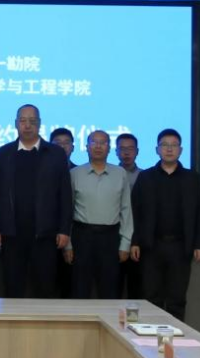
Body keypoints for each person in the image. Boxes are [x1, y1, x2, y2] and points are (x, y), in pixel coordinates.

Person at [0, 104, 74, 298]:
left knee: (45, 286)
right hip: (12, 233)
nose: (27, 125)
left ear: (40, 124)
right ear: (16, 123)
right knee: (13, 286)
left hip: (45, 233)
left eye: (32, 121)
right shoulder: (4, 153)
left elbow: (65, 194)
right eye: (23, 121)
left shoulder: (55, 153)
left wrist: (64, 229)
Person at [131, 129, 200, 320]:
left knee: (177, 298)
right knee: (150, 297)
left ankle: (176, 337)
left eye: (174, 145)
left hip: (181, 246)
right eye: (164, 145)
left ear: (181, 150)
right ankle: (150, 336)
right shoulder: (146, 177)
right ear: (157, 149)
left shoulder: (192, 178)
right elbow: (135, 212)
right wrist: (135, 242)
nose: (169, 149)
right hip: (151, 246)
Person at [63, 130, 133, 299]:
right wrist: (68, 245)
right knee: (79, 289)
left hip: (110, 237)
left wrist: (125, 244)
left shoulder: (120, 174)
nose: (98, 146)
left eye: (103, 142)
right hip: (82, 236)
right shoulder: (75, 174)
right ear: (86, 147)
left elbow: (126, 210)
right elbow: (67, 211)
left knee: (110, 290)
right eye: (94, 142)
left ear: (109, 148)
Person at [49, 127, 78, 297]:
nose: (62, 146)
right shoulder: (42, 171)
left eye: (66, 143)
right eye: (57, 143)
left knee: (69, 284)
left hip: (74, 236)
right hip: (47, 236)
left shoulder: (79, 172)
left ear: (73, 147)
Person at [115, 133, 144, 299]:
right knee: (114, 287)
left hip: (138, 238)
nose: (126, 152)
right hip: (115, 236)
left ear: (137, 151)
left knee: (137, 288)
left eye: (130, 148)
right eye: (122, 148)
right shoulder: (111, 175)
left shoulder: (145, 176)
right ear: (116, 151)